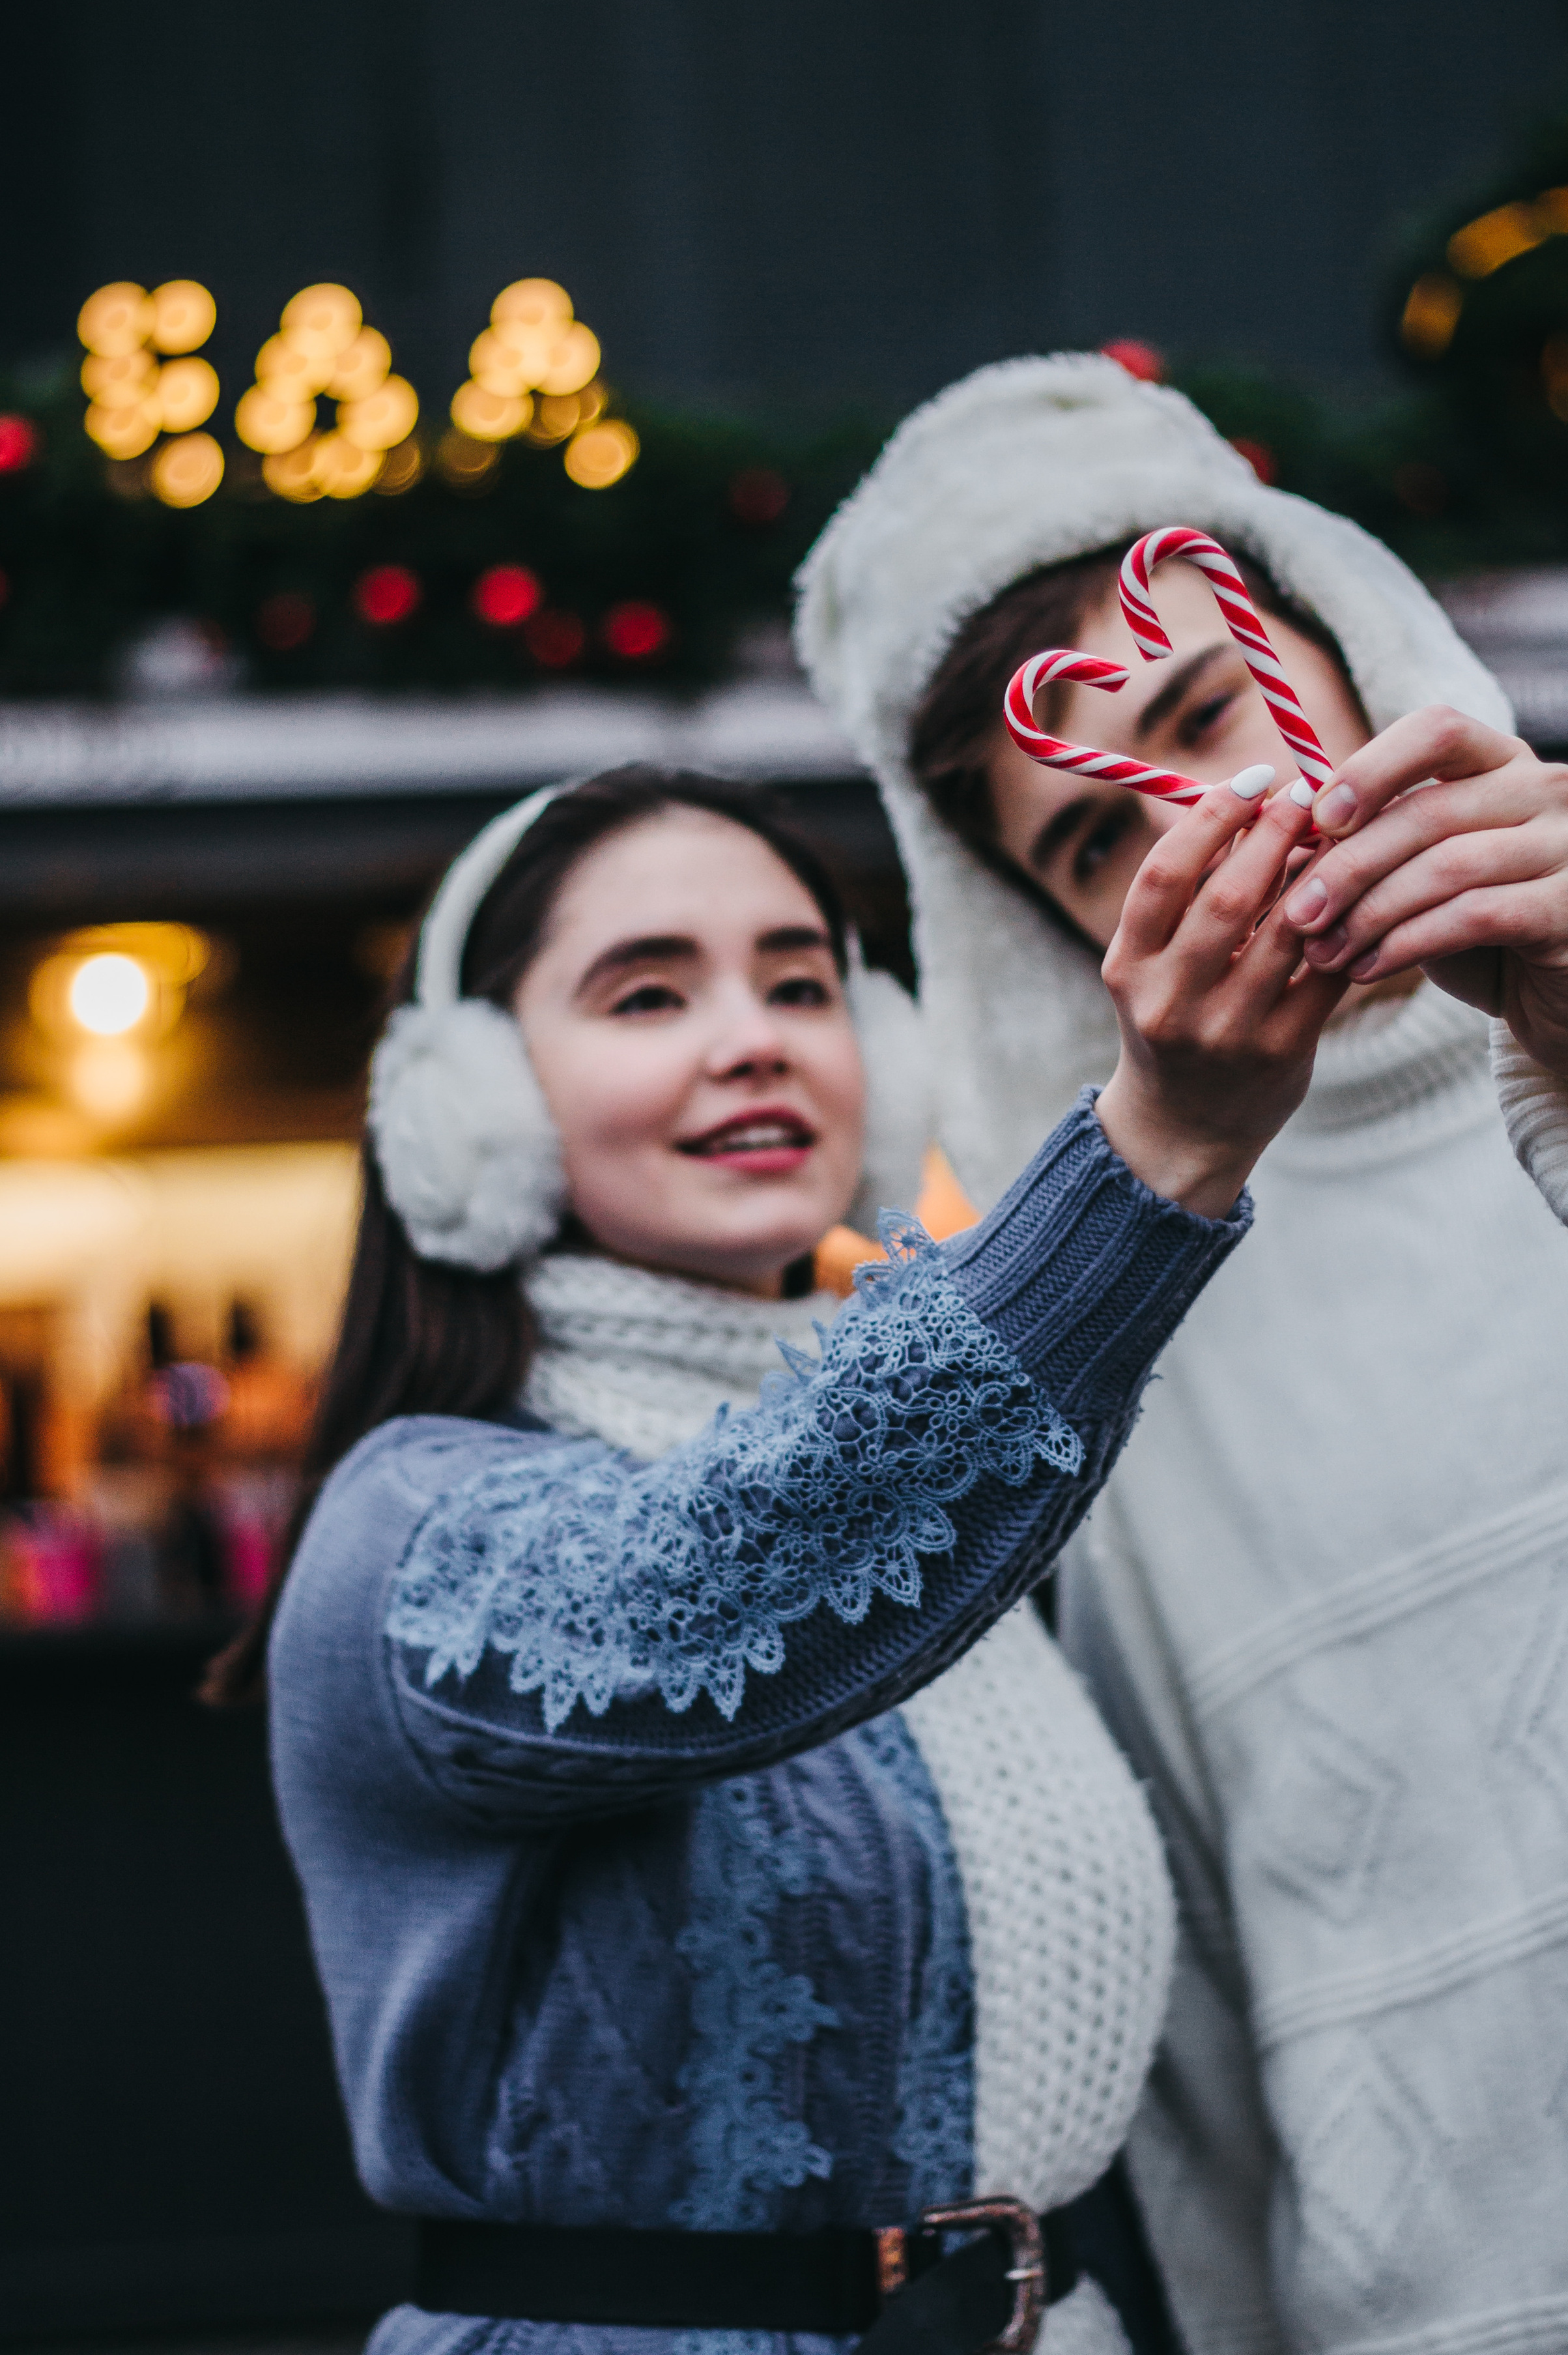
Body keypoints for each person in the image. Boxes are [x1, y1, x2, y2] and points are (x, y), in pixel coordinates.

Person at [209, 761, 1341, 2355]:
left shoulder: (973, 1528)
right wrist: (1151, 1150)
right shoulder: (412, 1525)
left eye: (801, 983)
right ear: (472, 1103)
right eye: (646, 994)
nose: (754, 1037)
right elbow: (723, 1581)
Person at [797, 356, 1568, 2353]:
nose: (1215, 814)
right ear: (1051, 934)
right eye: (1102, 844)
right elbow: (1178, 2037)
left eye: (1213, 718)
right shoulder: (1109, 1353)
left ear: (1343, 652)